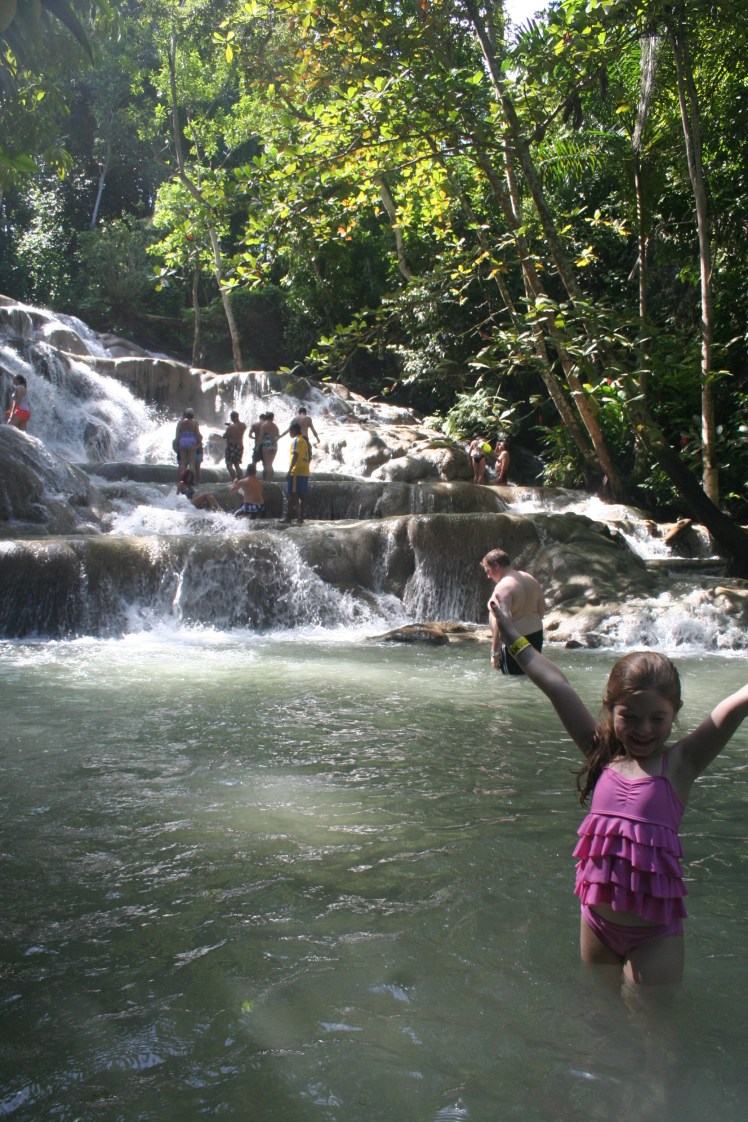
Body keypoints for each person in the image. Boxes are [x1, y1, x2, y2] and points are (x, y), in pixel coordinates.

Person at [489, 596, 748, 987]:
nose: (644, 729)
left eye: (658, 718)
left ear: (675, 713)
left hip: (655, 935)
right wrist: (512, 634)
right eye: (630, 716)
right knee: (599, 1016)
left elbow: (735, 707)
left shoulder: (681, 764)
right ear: (610, 709)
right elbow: (556, 685)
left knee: (648, 1024)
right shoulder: (601, 754)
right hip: (596, 924)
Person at [481, 549, 545, 674]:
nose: (488, 576)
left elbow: (500, 622)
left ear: (496, 565)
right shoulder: (530, 579)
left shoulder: (503, 587)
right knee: (532, 676)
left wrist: (495, 652)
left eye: (488, 571)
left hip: (516, 641)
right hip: (536, 636)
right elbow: (541, 610)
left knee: (511, 678)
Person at [283, 421, 310, 524]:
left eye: (290, 431)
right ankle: (301, 518)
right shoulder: (304, 441)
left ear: (293, 431)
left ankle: (288, 518)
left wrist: (289, 470)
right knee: (302, 496)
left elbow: (295, 455)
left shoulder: (296, 440)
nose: (289, 433)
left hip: (296, 471)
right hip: (305, 471)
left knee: (291, 495)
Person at [175, 408, 202, 477]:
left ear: (186, 414)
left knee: (183, 463)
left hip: (182, 441)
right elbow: (197, 434)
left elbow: (177, 435)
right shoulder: (195, 423)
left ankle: (182, 479)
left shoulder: (180, 423)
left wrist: (176, 444)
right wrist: (199, 442)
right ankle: (192, 480)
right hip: (191, 441)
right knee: (191, 463)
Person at [223, 411, 247, 481]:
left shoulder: (230, 427)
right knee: (237, 464)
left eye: (231, 417)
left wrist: (228, 428)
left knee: (229, 464)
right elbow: (237, 427)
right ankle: (241, 480)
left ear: (232, 417)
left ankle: (234, 480)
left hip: (231, 446)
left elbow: (225, 436)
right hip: (240, 445)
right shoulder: (243, 425)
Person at [259, 412, 280, 481]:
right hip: (274, 445)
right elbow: (278, 436)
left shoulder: (264, 425)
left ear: (266, 418)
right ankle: (269, 479)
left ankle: (267, 481)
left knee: (267, 464)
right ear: (272, 418)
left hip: (266, 444)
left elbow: (260, 437)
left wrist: (257, 446)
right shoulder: (275, 426)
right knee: (270, 463)